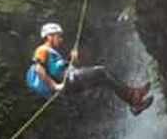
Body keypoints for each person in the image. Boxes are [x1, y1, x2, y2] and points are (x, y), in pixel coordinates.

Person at [25, 22, 154, 115]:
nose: (60, 39)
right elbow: (38, 68)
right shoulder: (42, 49)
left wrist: (73, 60)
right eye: (58, 36)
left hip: (70, 83)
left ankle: (134, 102)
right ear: (49, 36)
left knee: (103, 79)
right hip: (68, 82)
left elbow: (65, 70)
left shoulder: (54, 54)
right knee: (101, 71)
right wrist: (54, 86)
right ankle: (132, 95)